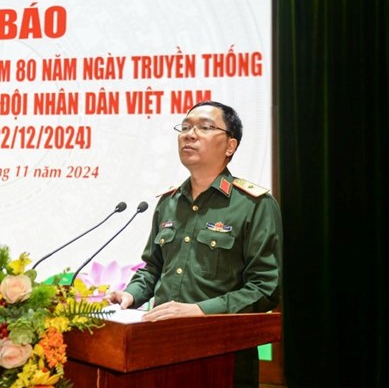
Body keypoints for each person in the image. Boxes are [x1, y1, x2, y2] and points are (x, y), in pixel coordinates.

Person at [106, 100, 283, 388]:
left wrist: (200, 310)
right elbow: (152, 268)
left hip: (223, 355)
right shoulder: (169, 202)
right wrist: (131, 295)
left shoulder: (255, 205)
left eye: (204, 127)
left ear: (230, 146)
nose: (190, 134)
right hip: (157, 349)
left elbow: (265, 288)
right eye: (185, 127)